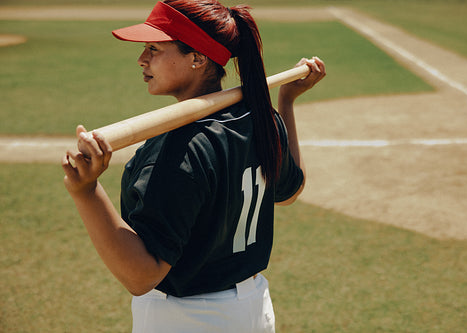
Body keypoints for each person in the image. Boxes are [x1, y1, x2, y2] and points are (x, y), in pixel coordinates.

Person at [61, 1, 326, 332]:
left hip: (187, 318)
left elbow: (142, 274)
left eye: (154, 49)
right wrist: (285, 102)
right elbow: (289, 191)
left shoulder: (180, 151)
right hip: (253, 309)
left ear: (198, 58)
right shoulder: (260, 117)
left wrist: (87, 192)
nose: (142, 59)